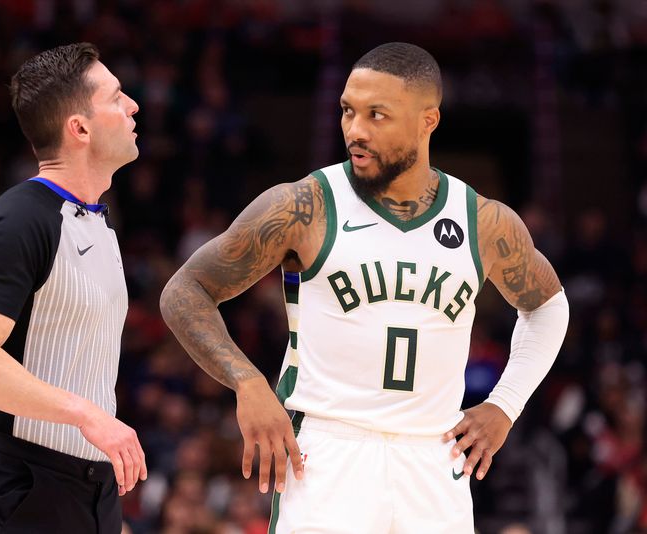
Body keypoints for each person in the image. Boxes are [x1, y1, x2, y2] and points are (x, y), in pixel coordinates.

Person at [160, 42, 569, 533]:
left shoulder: (483, 221)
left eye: (378, 115)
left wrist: (506, 403)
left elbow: (548, 306)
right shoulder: (303, 206)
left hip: (434, 456)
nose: (356, 130)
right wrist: (246, 381)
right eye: (348, 111)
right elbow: (185, 291)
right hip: (329, 451)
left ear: (428, 120)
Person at [0, 42, 146, 533]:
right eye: (116, 97)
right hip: (21, 487)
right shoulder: (19, 220)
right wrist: (85, 416)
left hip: (88, 489)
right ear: (79, 128)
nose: (132, 106)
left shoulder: (99, 223)